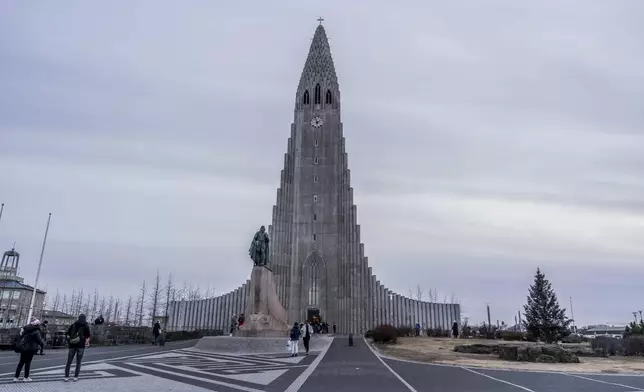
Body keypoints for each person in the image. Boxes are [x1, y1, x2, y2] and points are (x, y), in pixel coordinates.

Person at [65, 314, 91, 382]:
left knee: (69, 362)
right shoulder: (86, 326)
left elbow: (67, 334)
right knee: (78, 362)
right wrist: (87, 342)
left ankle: (66, 377)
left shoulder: (73, 325)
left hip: (72, 345)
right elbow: (88, 336)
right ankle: (76, 377)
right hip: (81, 346)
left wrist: (69, 340)